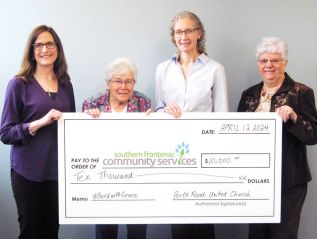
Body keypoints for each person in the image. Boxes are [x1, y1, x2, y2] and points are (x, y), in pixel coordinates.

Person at [155, 11, 228, 239]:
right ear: (173, 36)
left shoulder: (215, 69)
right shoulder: (162, 70)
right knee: (179, 222)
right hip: (173, 154)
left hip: (204, 153)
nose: (183, 36)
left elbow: (221, 115)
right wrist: (165, 111)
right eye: (178, 32)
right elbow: (157, 110)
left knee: (203, 220)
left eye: (188, 30)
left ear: (199, 33)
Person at [0, 25, 76, 239]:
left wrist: (87, 118)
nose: (45, 49)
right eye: (39, 45)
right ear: (32, 51)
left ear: (58, 49)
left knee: (51, 232)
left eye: (50, 44)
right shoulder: (18, 84)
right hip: (27, 173)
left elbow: (70, 127)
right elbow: (5, 133)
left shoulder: (65, 85)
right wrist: (39, 123)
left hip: (57, 173)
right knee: (31, 232)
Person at [238, 37, 317, 239]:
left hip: (289, 180)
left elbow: (313, 135)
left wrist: (294, 117)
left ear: (285, 63)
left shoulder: (301, 92)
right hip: (255, 179)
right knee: (257, 234)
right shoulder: (249, 95)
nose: (269, 65)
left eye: (275, 60)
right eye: (264, 60)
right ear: (258, 64)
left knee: (284, 235)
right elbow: (236, 133)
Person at [82, 57, 151, 239]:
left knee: (137, 233)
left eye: (129, 81)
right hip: (104, 180)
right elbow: (82, 143)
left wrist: (154, 124)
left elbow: (151, 141)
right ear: (108, 83)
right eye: (118, 81)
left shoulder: (143, 102)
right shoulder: (92, 104)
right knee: (106, 232)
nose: (124, 86)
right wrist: (87, 121)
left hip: (136, 179)